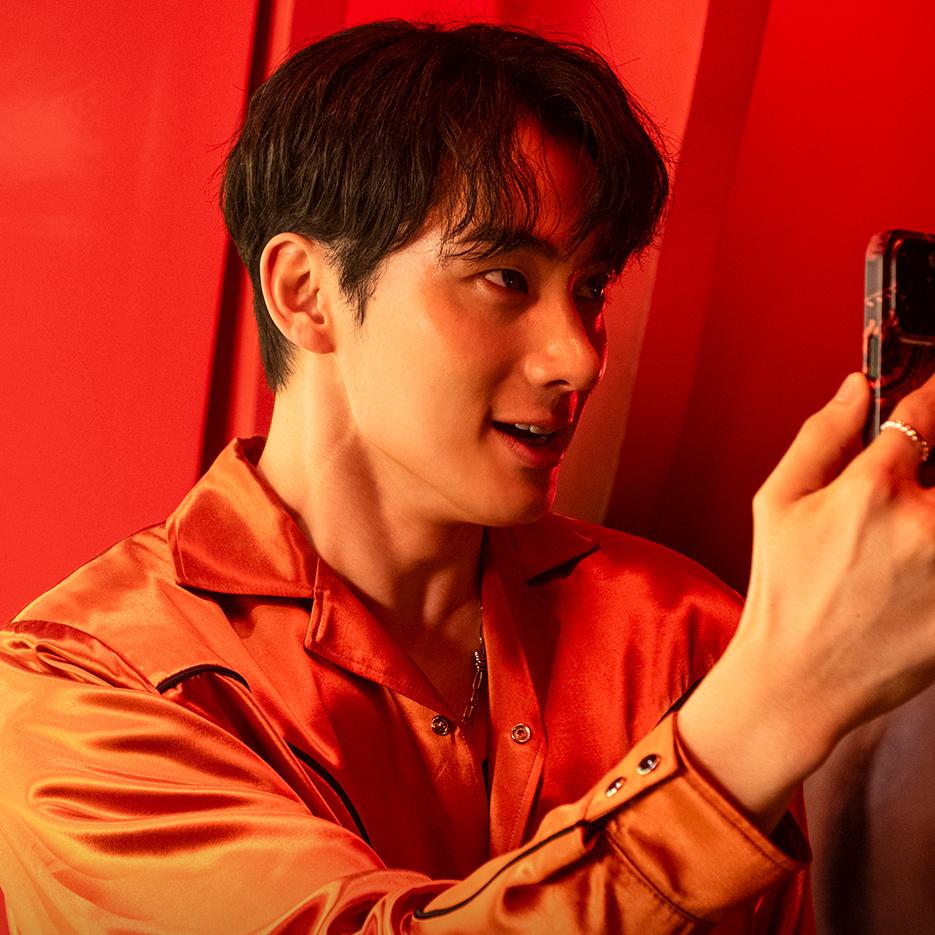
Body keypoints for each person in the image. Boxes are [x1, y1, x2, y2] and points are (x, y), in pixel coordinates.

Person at [3, 19, 935, 934]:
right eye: (504, 278)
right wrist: (769, 711)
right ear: (305, 292)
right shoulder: (88, 688)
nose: (579, 356)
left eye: (591, 288)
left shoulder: (684, 633)